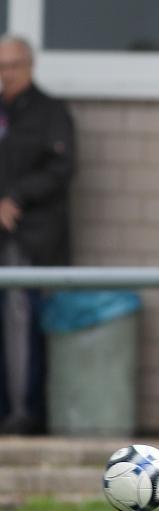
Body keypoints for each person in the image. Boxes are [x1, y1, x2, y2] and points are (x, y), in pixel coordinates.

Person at [0, 36, 75, 434]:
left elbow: (61, 170)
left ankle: (23, 411)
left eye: (11, 65)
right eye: (0, 67)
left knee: (21, 322)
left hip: (29, 238)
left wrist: (15, 198)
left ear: (29, 65)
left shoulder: (50, 113)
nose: (5, 74)